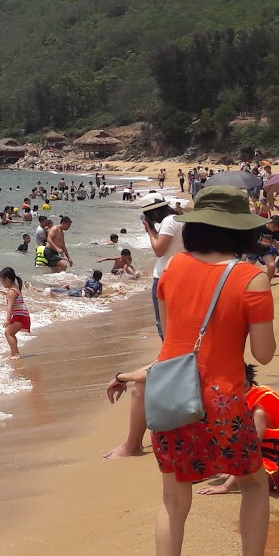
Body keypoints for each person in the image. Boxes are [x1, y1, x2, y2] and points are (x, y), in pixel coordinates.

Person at [104, 186, 277, 556]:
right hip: (224, 401)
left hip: (172, 397)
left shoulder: (174, 267)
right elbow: (263, 355)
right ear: (242, 231)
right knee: (253, 486)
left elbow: (170, 341)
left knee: (173, 499)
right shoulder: (252, 278)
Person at [105, 194, 185, 461]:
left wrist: (149, 229)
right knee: (172, 335)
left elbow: (159, 250)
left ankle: (133, 444)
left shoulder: (168, 223)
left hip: (166, 277)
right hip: (181, 276)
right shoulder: (182, 218)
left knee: (167, 334)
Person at [198, 365, 279, 497]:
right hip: (253, 459)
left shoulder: (258, 411)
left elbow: (249, 452)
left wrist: (225, 486)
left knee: (248, 477)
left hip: (271, 467)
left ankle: (231, 478)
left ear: (244, 384)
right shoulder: (239, 401)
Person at [0, 266, 30, 359]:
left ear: (7, 279)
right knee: (10, 333)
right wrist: (6, 294)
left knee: (8, 333)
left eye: (1, 280)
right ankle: (15, 353)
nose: (1, 283)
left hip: (20, 316)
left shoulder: (11, 292)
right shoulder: (14, 288)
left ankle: (15, 354)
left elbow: (10, 306)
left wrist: (7, 319)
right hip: (22, 315)